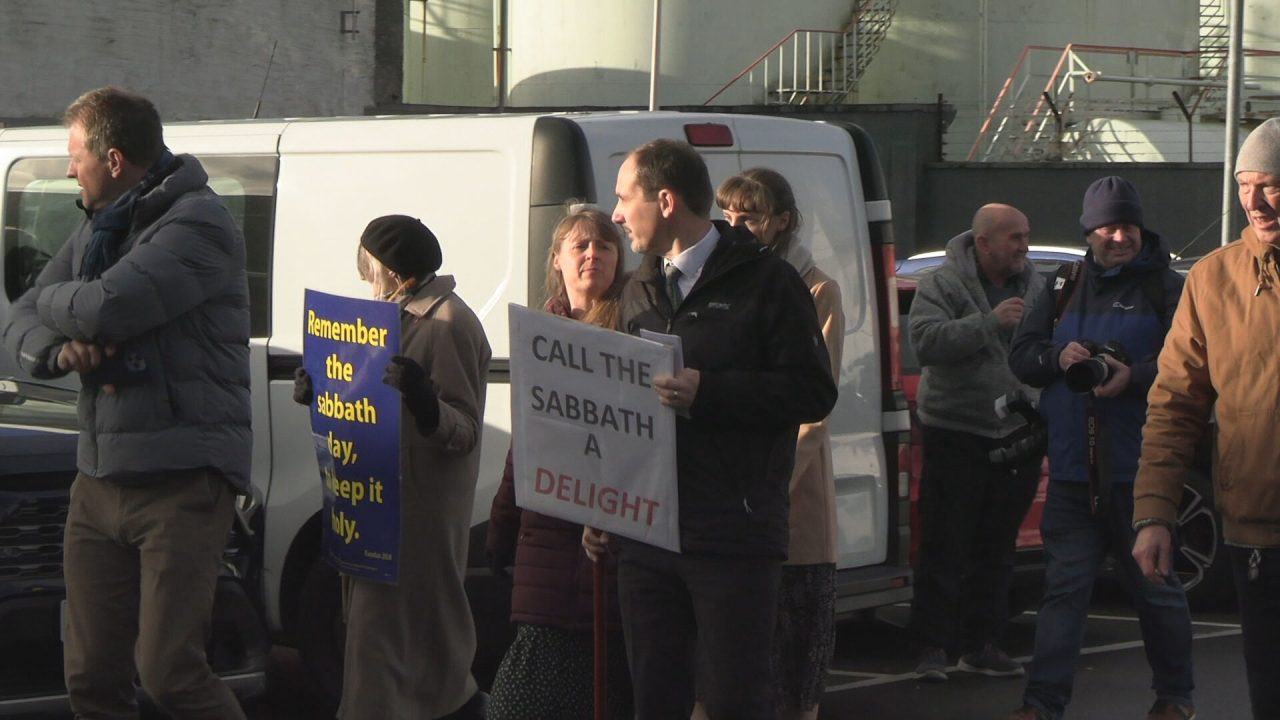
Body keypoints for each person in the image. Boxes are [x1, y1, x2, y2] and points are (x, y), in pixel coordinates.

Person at [0, 86, 251, 718]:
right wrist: (58, 351)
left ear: (114, 160)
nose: (67, 169)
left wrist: (72, 311)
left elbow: (107, 306)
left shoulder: (198, 222)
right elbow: (22, 314)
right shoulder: (98, 226)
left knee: (170, 674)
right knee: (89, 677)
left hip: (181, 483)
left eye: (76, 155)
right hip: (100, 478)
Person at [583, 139, 838, 720]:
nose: (616, 215)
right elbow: (621, 408)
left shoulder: (768, 282)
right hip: (647, 534)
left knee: (731, 702)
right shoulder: (636, 290)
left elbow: (813, 391)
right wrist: (603, 503)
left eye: (624, 199)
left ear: (665, 200)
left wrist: (711, 391)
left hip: (733, 533)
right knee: (655, 701)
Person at [1006, 177, 1194, 720]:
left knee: (1156, 591)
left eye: (1126, 226)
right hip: (1070, 471)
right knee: (1063, 592)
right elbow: (1023, 357)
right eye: (1107, 227)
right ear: (1088, 232)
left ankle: (1175, 699)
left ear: (1140, 228)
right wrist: (1060, 359)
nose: (1118, 236)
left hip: (1141, 472)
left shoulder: (1167, 288)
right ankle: (1041, 706)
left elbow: (1191, 368)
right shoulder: (1063, 282)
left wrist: (1131, 376)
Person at [293, 215, 490, 720]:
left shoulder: (449, 323)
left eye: (371, 268)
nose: (366, 279)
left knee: (400, 658)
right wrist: (320, 391)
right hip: (371, 510)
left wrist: (427, 405)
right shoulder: (386, 317)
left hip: (415, 519)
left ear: (395, 271)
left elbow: (465, 429)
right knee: (383, 652)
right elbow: (361, 401)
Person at [1133, 117, 1280, 720]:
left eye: (1272, 183)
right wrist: (1154, 514)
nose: (1254, 201)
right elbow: (1173, 403)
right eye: (1245, 184)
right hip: (1256, 538)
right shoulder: (1213, 278)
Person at [486, 206, 633, 719]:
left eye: (605, 245)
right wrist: (500, 529)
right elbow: (525, 443)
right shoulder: (540, 333)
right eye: (581, 246)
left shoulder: (637, 329)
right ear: (558, 260)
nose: (593, 254)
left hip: (611, 550)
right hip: (547, 549)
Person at [710, 168, 845, 720]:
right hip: (726, 501)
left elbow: (814, 408)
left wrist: (769, 485)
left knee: (792, 679)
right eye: (730, 216)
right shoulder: (720, 281)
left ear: (783, 222)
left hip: (789, 502)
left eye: (752, 216)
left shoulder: (816, 288)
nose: (738, 226)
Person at [906, 204, 1045, 682]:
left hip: (1019, 433)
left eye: (1026, 236)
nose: (1024, 246)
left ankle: (982, 643)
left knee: (997, 545)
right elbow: (923, 342)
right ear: (983, 242)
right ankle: (931, 648)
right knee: (946, 543)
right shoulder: (941, 284)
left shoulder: (1037, 285)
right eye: (1014, 238)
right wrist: (988, 324)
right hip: (955, 431)